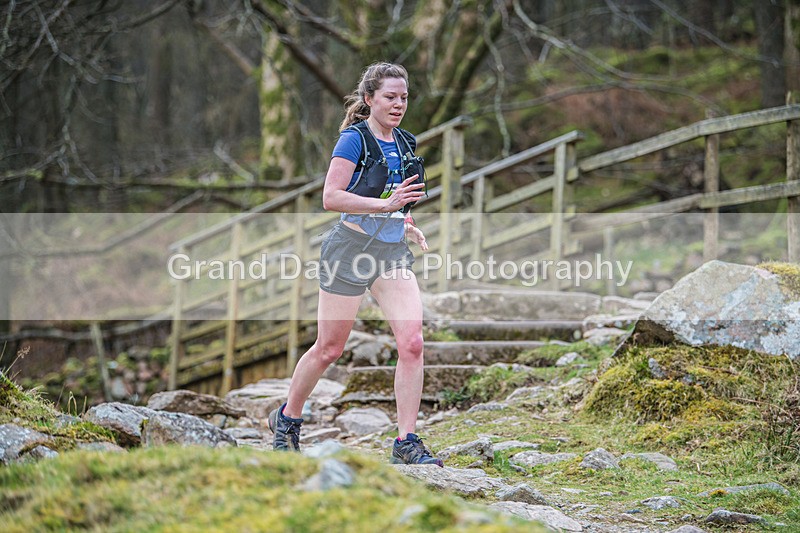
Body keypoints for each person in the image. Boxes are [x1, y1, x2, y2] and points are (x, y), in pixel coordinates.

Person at [268, 62, 443, 467]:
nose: (399, 105)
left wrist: (406, 222)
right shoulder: (354, 140)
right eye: (389, 97)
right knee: (329, 349)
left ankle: (406, 440)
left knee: (412, 343)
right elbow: (331, 196)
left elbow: (398, 195)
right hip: (348, 249)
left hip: (390, 253)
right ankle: (288, 420)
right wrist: (386, 205)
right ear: (369, 100)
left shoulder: (405, 141)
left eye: (403, 97)